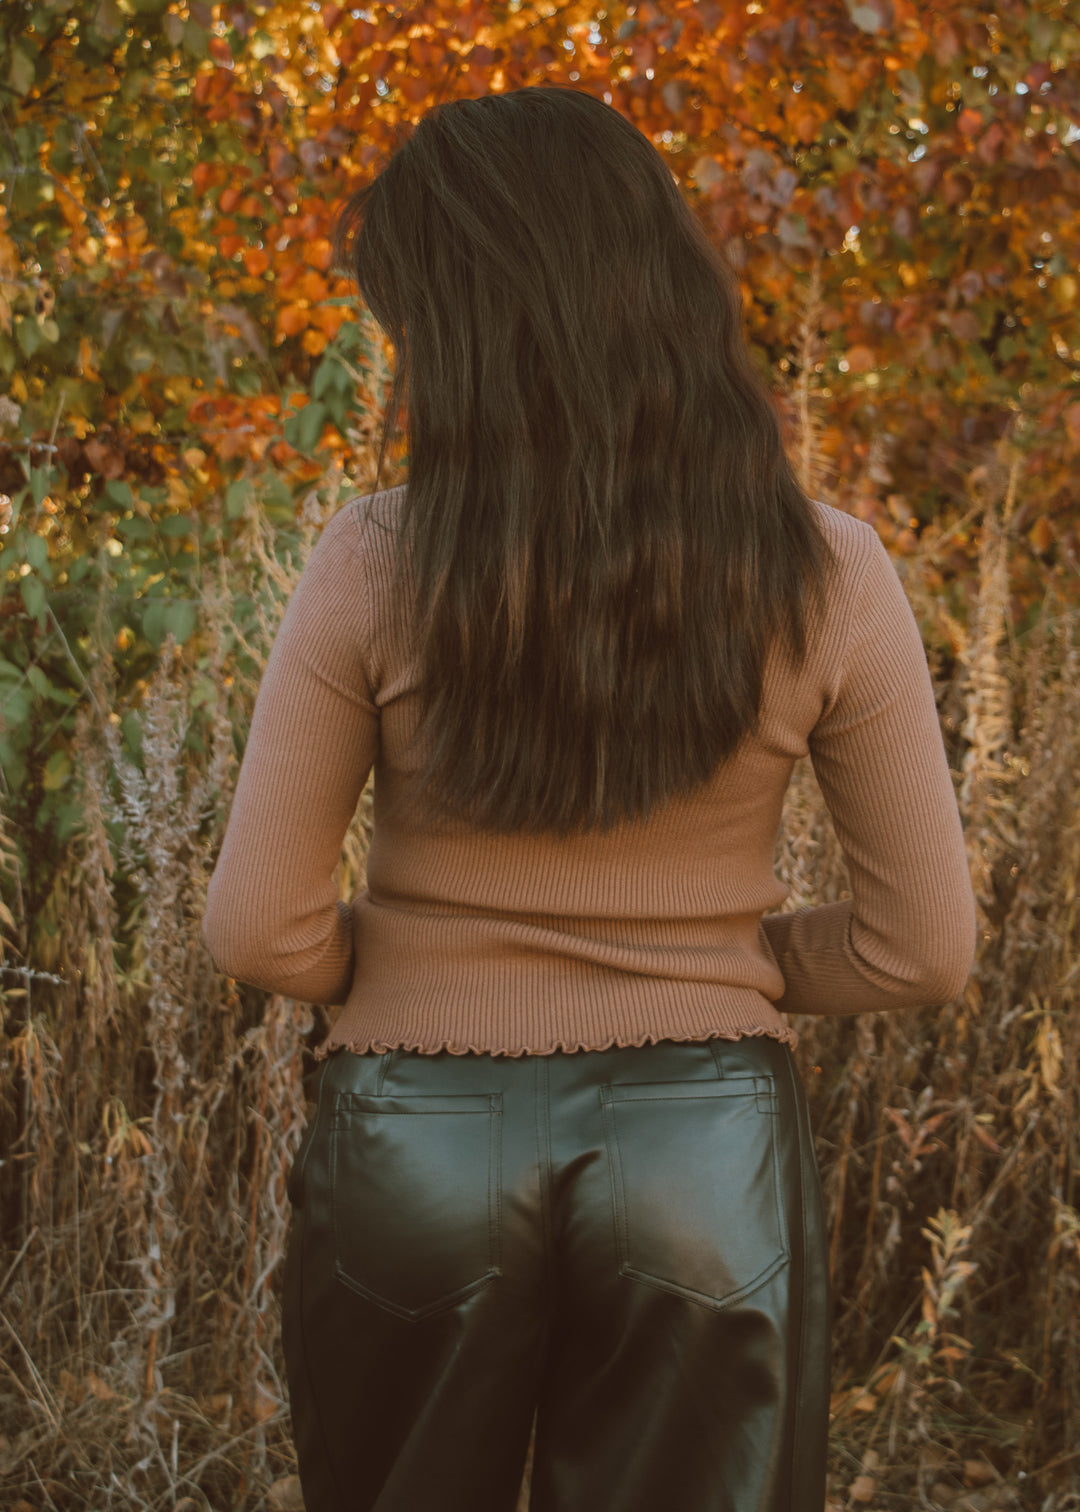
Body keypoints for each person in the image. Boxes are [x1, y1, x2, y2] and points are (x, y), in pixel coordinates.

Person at [201, 84, 976, 1512]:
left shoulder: (371, 559)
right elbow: (923, 949)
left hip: (417, 1146)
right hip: (705, 1152)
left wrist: (408, 965)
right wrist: (728, 963)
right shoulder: (830, 571)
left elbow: (257, 928)